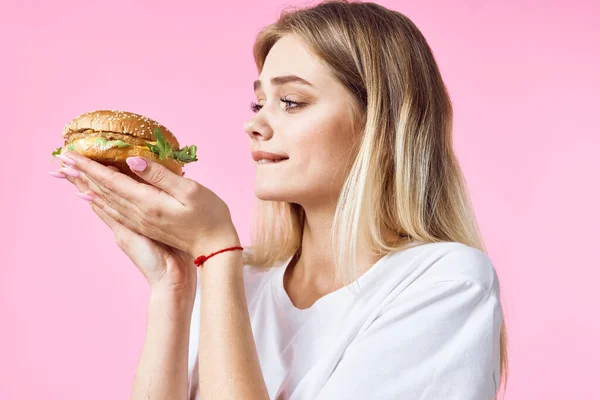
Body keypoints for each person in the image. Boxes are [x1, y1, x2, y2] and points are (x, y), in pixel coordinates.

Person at [51, 0, 508, 398]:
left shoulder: (445, 284)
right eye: (258, 104)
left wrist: (216, 249)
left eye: (291, 101)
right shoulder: (239, 278)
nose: (255, 126)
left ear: (381, 126)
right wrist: (172, 286)